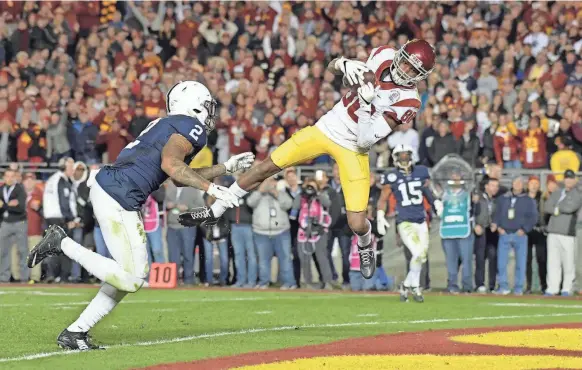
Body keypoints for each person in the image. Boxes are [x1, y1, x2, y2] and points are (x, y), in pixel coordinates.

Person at [181, 39, 437, 280]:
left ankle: (366, 240)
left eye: (412, 69)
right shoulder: (382, 54)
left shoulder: (409, 101)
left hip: (354, 147)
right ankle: (216, 209)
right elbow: (330, 66)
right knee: (267, 166)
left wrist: (367, 105)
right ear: (399, 53)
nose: (403, 69)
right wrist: (343, 63)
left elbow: (365, 141)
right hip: (326, 128)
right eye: (404, 61)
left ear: (420, 76)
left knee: (357, 222)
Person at [27, 81, 254, 350]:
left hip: (112, 186)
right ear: (193, 104)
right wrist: (212, 188)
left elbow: (178, 176)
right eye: (207, 106)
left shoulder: (166, 124)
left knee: (127, 276)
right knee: (134, 277)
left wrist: (225, 167)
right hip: (120, 193)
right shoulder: (190, 128)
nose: (210, 113)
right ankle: (61, 242)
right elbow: (172, 164)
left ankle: (75, 332)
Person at [377, 144, 439, 303]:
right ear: (395, 158)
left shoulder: (421, 172)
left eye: (406, 156)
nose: (404, 159)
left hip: (421, 220)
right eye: (401, 156)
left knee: (421, 256)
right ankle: (416, 287)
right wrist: (380, 215)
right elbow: (384, 198)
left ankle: (405, 285)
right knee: (417, 253)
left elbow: (428, 191)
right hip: (405, 221)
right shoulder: (391, 176)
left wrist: (435, 202)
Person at [246, 176, 296, 289]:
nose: (269, 183)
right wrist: (260, 191)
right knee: (263, 260)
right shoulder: (257, 194)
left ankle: (289, 283)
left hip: (281, 232)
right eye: (266, 181)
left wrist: (276, 193)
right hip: (261, 233)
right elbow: (250, 203)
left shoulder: (281, 193)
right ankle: (264, 282)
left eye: (272, 181)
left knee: (285, 259)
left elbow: (288, 204)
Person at [492, 176, 538, 295]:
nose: (517, 185)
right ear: (512, 184)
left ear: (523, 185)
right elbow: (496, 214)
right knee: (501, 263)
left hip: (520, 234)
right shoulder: (503, 198)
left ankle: (518, 288)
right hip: (504, 233)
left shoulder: (528, 200)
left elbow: (533, 217)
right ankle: (503, 286)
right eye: (515, 182)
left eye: (520, 183)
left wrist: (525, 229)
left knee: (521, 263)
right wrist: (498, 227)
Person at [543, 170, 582, 296]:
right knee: (553, 261)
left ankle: (567, 288)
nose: (569, 181)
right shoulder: (557, 192)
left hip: (568, 232)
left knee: (568, 262)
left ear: (575, 180)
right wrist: (559, 208)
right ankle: (552, 288)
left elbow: (571, 207)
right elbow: (547, 207)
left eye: (571, 178)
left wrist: (557, 208)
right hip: (553, 231)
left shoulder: (577, 193)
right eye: (567, 178)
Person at [291, 177, 333, 290]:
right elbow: (294, 210)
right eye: (308, 185)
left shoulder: (322, 195)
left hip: (319, 231)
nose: (310, 188)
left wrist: (317, 192)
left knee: (322, 257)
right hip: (304, 232)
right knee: (304, 258)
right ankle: (307, 282)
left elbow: (327, 203)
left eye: (312, 186)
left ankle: (327, 281)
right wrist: (303, 193)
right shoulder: (301, 197)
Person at [439, 172, 478, 294]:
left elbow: (476, 210)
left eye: (457, 177)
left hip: (464, 230)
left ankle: (467, 286)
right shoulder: (443, 195)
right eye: (453, 177)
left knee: (466, 261)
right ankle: (452, 285)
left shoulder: (468, 195)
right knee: (451, 261)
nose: (455, 180)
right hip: (448, 230)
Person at [165, 180, 204, 286]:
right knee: (173, 256)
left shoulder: (193, 189)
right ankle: (174, 280)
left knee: (187, 254)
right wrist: (167, 205)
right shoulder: (170, 186)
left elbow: (201, 207)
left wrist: (188, 207)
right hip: (172, 226)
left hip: (187, 226)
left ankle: (188, 280)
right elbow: (163, 202)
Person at [0, 168, 28, 283]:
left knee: (22, 250)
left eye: (12, 176)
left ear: (16, 177)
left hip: (19, 222)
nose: (10, 178)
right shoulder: (1, 189)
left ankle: (24, 278)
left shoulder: (20, 189)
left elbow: (20, 208)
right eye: (7, 176)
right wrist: (10, 205)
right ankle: (3, 278)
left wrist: (4, 205)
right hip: (5, 222)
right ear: (4, 177)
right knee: (3, 251)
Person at [474, 177, 500, 293]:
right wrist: (475, 225)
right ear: (486, 186)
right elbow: (471, 212)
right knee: (480, 258)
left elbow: (496, 215)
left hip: (491, 232)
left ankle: (492, 285)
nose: (495, 188)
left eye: (496, 186)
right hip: (480, 230)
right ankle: (480, 283)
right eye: (493, 185)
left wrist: (495, 223)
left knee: (493, 257)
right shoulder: (478, 198)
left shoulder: (495, 200)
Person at [525, 176, 547, 294]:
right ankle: (528, 286)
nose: (534, 186)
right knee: (527, 260)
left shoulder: (543, 197)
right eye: (532, 183)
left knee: (541, 259)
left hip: (539, 231)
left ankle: (544, 285)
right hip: (526, 231)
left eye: (536, 183)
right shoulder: (523, 198)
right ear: (528, 185)